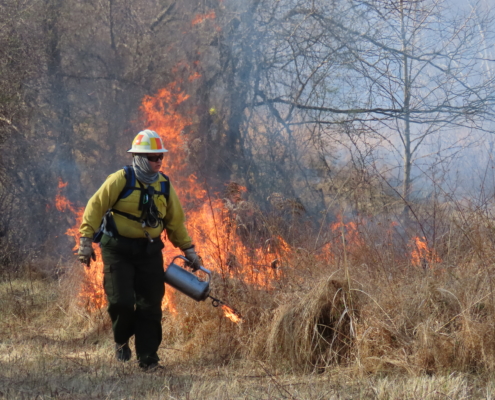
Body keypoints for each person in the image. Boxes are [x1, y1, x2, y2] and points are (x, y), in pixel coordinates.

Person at [77, 129, 202, 370]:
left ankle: (148, 359)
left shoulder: (164, 185)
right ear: (140, 158)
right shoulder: (120, 179)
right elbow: (95, 207)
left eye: (161, 157)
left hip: (149, 253)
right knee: (121, 302)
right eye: (154, 157)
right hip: (117, 250)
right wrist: (85, 241)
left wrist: (190, 252)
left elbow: (175, 222)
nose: (159, 162)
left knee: (150, 306)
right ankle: (121, 339)